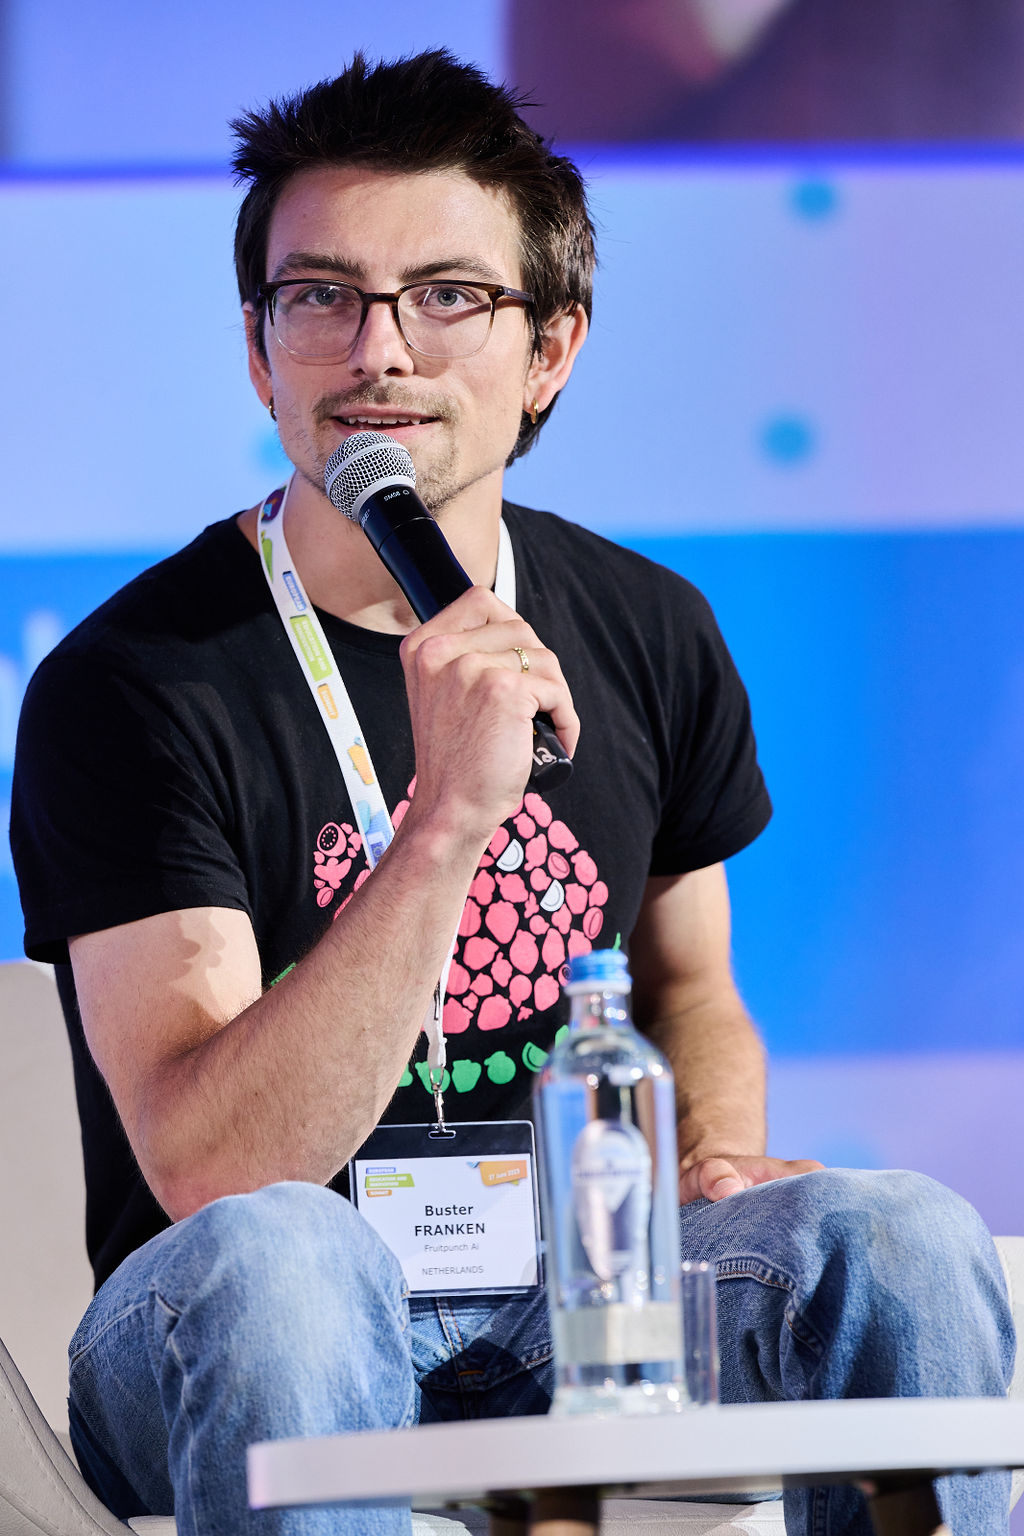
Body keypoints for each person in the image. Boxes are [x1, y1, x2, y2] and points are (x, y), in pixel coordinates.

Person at [10, 49, 1014, 1536]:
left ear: (551, 349)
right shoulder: (133, 681)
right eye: (321, 297)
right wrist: (443, 823)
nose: (380, 353)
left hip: (585, 1295)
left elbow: (690, 985)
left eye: (448, 297)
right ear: (261, 354)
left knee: (901, 1234)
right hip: (245, 1321)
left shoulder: (646, 624)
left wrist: (709, 1158)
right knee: (285, 1261)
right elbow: (218, 1169)